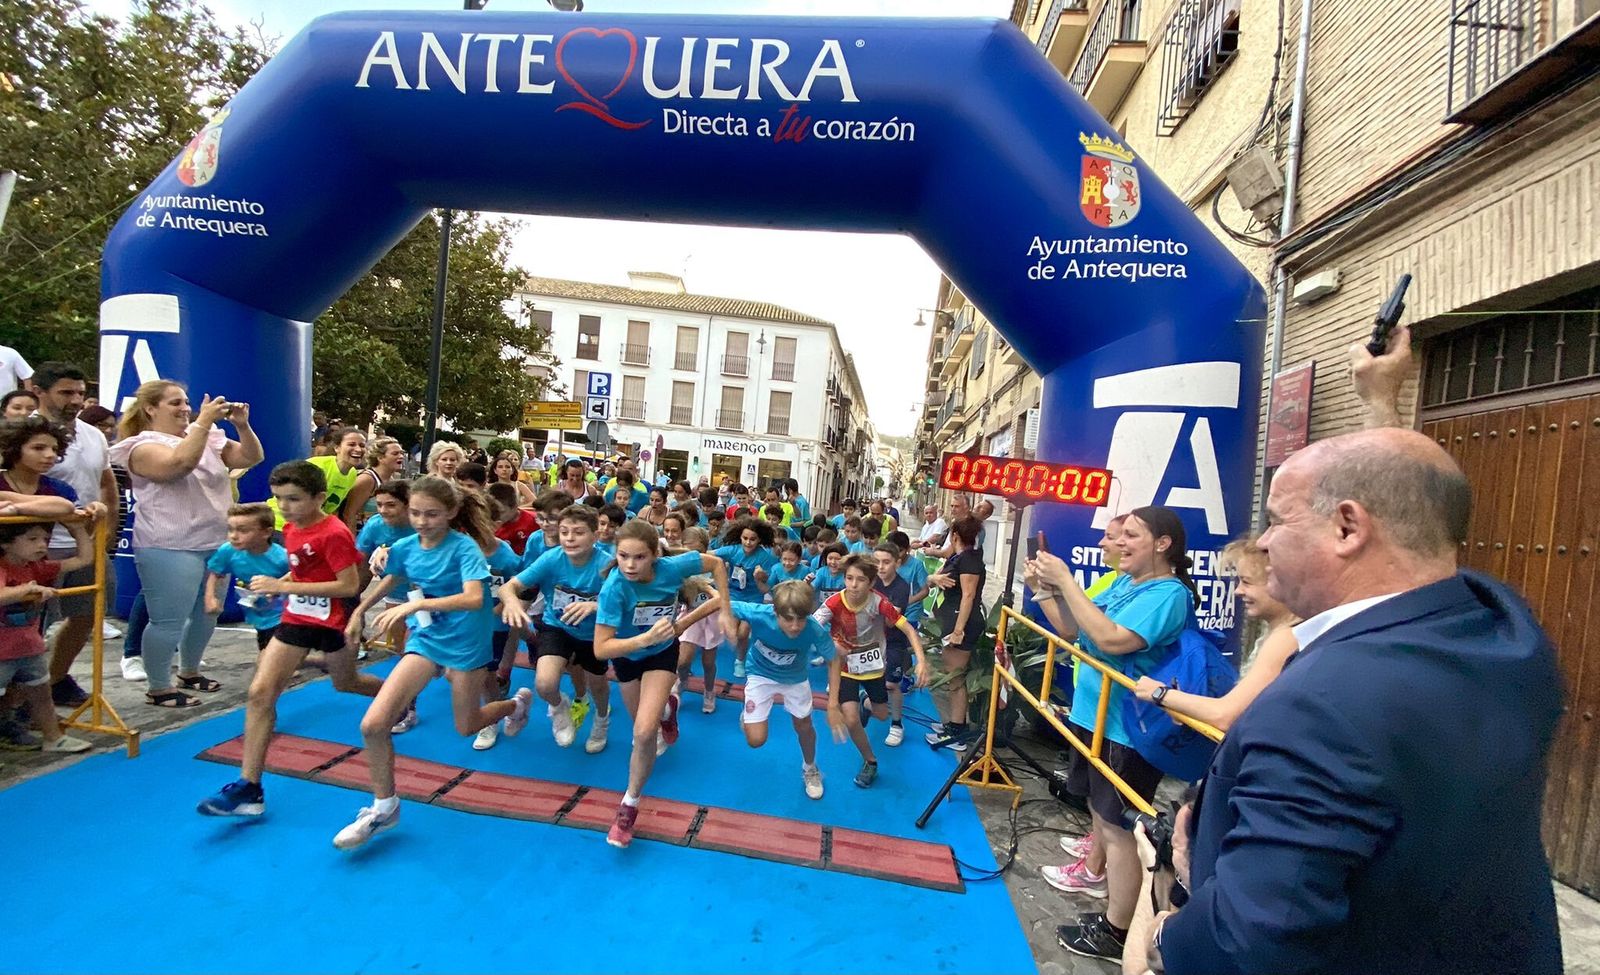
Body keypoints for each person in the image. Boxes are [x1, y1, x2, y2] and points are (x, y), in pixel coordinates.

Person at [1139, 428, 1562, 975]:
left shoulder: (1320, 705)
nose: (1263, 544)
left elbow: (1247, 942)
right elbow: (1411, 517)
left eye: (1277, 520)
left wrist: (1163, 933)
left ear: (1346, 527)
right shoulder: (1506, 633)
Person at [1024, 506, 1196, 963]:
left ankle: (1117, 931)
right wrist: (1045, 592)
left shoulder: (1168, 594)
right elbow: (1077, 630)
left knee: (1118, 829)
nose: (1117, 544)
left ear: (1163, 544)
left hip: (1127, 729)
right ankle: (1112, 912)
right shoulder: (1126, 583)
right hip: (1093, 714)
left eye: (1131, 536)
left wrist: (1066, 582)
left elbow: (1113, 640)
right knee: (1101, 820)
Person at [330, 476, 531, 849]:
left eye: (432, 514)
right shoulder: (405, 546)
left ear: (452, 512)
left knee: (466, 725)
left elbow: (474, 599)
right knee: (373, 724)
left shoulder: (464, 549)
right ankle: (384, 806)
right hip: (426, 640)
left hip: (468, 643)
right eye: (416, 513)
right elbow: (392, 579)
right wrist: (359, 611)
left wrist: (419, 603)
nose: (422, 521)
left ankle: (516, 704)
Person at [196, 461, 380, 817]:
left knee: (347, 682)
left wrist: (284, 586)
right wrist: (278, 593)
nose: (285, 507)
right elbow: (300, 571)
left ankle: (399, 698)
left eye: (294, 499)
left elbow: (349, 585)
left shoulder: (334, 532)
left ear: (320, 498)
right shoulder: (292, 529)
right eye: (280, 499)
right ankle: (249, 786)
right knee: (260, 692)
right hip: (295, 618)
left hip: (331, 620)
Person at [107, 382, 262, 707]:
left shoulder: (205, 436)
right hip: (168, 543)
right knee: (168, 619)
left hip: (215, 541)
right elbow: (177, 466)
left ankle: (189, 671)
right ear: (150, 408)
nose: (184, 408)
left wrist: (241, 425)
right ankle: (159, 686)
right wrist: (203, 423)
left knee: (208, 613)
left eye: (186, 402)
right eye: (174, 402)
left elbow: (251, 456)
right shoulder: (141, 446)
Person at [593, 519, 732, 848]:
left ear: (655, 555)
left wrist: (724, 608)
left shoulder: (672, 568)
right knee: (643, 724)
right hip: (627, 656)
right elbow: (601, 648)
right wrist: (641, 640)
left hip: (661, 655)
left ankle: (629, 805)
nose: (629, 565)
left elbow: (716, 564)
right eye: (623, 556)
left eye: (639, 557)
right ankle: (668, 712)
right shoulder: (614, 587)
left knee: (643, 732)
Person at [1130, 534, 1298, 731]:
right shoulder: (1280, 632)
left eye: (1247, 582)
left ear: (1279, 582)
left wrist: (1159, 693)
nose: (1238, 591)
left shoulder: (1285, 638)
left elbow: (1225, 715)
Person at [29, 363, 118, 708]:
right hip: (36, 548)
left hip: (85, 542)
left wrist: (106, 532)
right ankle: (19, 697)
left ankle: (55, 679)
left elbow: (107, 483)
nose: (76, 400)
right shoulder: (23, 435)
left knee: (87, 615)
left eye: (80, 392)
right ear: (39, 390)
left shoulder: (93, 434)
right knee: (29, 626)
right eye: (66, 392)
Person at [499, 504, 614, 753]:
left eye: (578, 532)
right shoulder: (552, 558)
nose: (570, 538)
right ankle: (560, 707)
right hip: (557, 627)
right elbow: (508, 587)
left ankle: (602, 719)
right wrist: (512, 604)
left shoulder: (606, 566)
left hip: (594, 634)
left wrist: (594, 605)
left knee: (597, 684)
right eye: (564, 532)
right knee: (544, 683)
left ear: (595, 536)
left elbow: (622, 603)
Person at [814, 553, 925, 788]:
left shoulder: (880, 603)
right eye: (849, 578)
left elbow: (909, 630)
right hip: (844, 669)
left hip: (873, 668)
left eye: (861, 580)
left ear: (871, 583)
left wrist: (922, 661)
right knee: (851, 720)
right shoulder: (834, 602)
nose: (853, 585)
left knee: (882, 714)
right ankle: (870, 762)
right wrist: (828, 644)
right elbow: (812, 627)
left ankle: (865, 701)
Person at [728, 581, 838, 800]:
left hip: (795, 679)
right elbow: (717, 602)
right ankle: (748, 714)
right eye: (788, 619)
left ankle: (810, 768)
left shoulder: (814, 629)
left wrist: (833, 703)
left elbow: (834, 660)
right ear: (775, 612)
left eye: (801, 619)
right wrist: (685, 624)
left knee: (804, 725)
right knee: (756, 741)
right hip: (760, 675)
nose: (795, 626)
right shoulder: (758, 613)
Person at [0, 516, 95, 752]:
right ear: (5, 543)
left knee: (42, 694)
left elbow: (84, 559)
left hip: (29, 647)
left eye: (45, 539)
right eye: (32, 539)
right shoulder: (3, 568)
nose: (42, 545)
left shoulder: (38, 568)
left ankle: (53, 737)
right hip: (3, 651)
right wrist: (28, 589)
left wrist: (77, 529)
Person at [924, 516, 986, 752]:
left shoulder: (969, 559)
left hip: (962, 625)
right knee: (952, 676)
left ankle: (957, 731)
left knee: (955, 678)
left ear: (956, 535)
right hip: (949, 620)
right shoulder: (958, 557)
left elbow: (968, 595)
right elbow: (937, 577)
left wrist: (959, 629)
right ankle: (952, 723)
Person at [202, 503, 289, 651]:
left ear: (266, 532)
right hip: (260, 614)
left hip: (285, 614)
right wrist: (209, 597)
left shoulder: (281, 557)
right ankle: (314, 662)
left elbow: (299, 573)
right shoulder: (228, 551)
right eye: (230, 530)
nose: (234, 536)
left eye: (243, 530)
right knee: (275, 658)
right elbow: (215, 572)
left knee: (270, 661)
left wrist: (278, 585)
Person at [713, 517, 779, 680]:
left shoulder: (765, 557)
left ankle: (740, 661)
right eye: (745, 538)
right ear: (740, 537)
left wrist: (762, 576)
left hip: (753, 598)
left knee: (743, 633)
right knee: (732, 631)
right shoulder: (733, 550)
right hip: (733, 596)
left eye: (753, 539)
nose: (748, 543)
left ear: (759, 540)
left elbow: (769, 583)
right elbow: (709, 556)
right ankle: (743, 652)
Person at [880, 536, 929, 746]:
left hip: (893, 641)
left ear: (897, 563)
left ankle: (897, 723)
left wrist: (871, 611)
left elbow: (891, 623)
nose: (880, 567)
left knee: (892, 684)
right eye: (877, 562)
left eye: (886, 562)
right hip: (870, 640)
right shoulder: (869, 581)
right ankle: (867, 703)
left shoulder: (900, 587)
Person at [673, 526, 725, 714]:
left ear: (704, 548)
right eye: (686, 548)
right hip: (690, 616)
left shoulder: (716, 566)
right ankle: (682, 680)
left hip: (711, 618)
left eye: (694, 550)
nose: (690, 553)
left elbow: (722, 595)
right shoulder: (681, 568)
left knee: (708, 662)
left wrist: (708, 588)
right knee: (683, 660)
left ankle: (709, 691)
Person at [344, 436, 406, 530]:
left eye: (402, 453)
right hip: (361, 535)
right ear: (380, 458)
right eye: (395, 453)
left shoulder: (391, 479)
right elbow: (349, 514)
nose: (401, 456)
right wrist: (352, 542)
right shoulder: (367, 479)